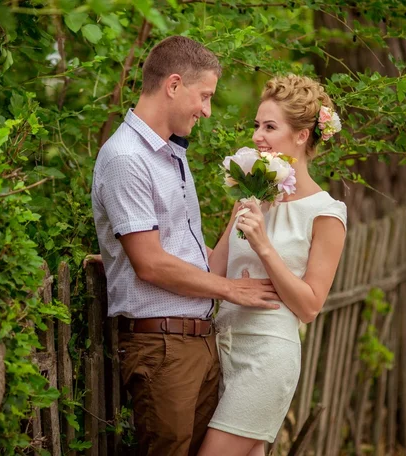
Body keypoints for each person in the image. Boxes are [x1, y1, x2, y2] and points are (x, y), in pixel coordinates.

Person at [91, 36, 280, 456]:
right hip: (163, 347)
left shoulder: (171, 156)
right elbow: (151, 264)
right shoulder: (126, 157)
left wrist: (238, 219)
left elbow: (198, 263)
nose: (207, 110)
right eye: (205, 96)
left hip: (198, 342)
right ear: (173, 85)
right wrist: (233, 291)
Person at [197, 74, 347, 456]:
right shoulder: (249, 195)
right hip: (219, 349)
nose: (257, 136)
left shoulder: (326, 214)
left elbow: (310, 306)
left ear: (301, 136)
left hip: (267, 358)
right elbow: (213, 271)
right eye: (256, 126)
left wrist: (264, 245)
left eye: (269, 127)